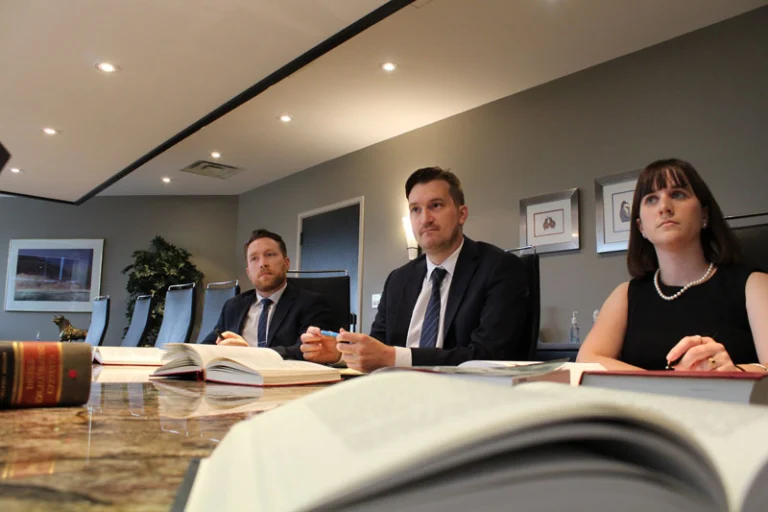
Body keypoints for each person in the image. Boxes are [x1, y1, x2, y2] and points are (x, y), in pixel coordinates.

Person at [300, 167, 530, 372]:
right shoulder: (398, 279)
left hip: (467, 399)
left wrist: (394, 357)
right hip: (398, 396)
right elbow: (378, 346)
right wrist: (342, 353)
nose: (425, 219)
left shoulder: (499, 268)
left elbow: (487, 357)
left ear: (462, 214)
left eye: (436, 206)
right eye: (415, 210)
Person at [577, 158, 768, 371]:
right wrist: (666, 385)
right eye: (651, 199)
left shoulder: (754, 285)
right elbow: (587, 359)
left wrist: (735, 372)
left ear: (704, 214)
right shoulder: (625, 295)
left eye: (677, 194)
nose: (664, 207)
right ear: (641, 228)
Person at [200, 229, 335, 360]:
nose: (263, 264)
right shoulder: (233, 306)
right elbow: (208, 345)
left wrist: (249, 355)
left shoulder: (311, 303)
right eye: (254, 258)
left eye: (270, 255)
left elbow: (306, 350)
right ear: (248, 272)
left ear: (286, 263)